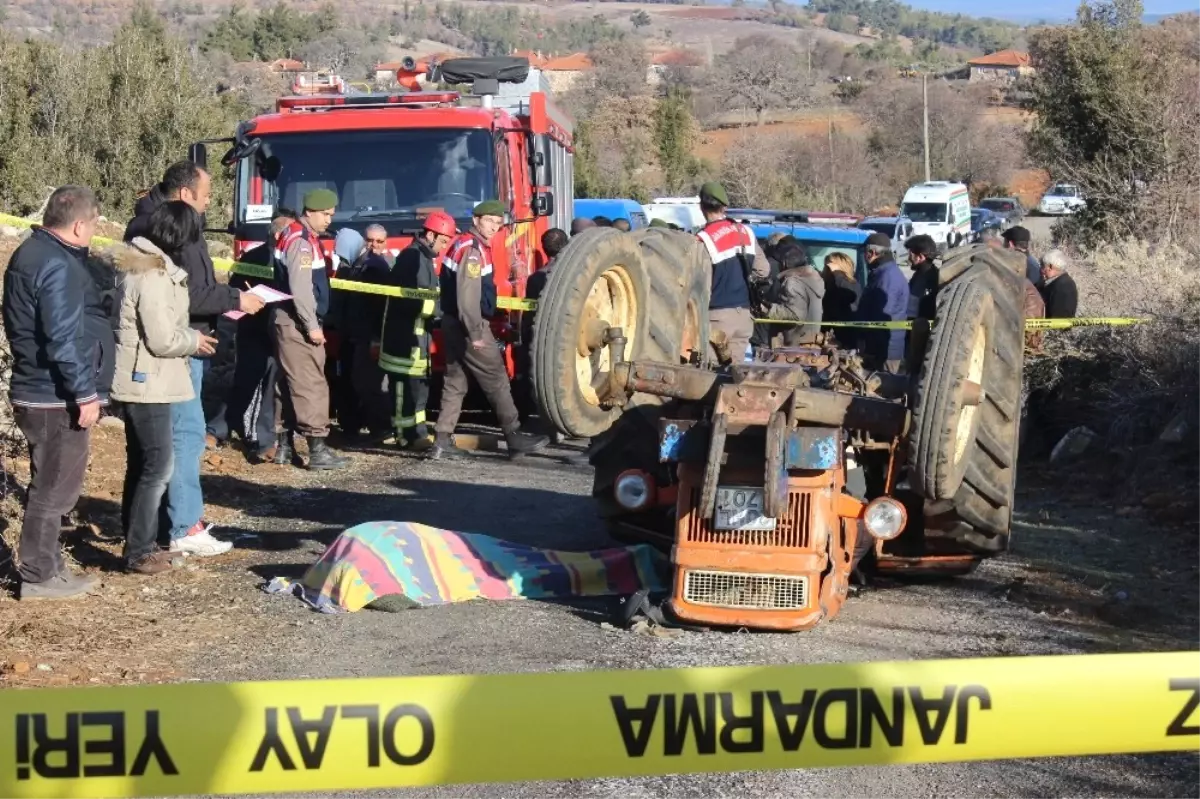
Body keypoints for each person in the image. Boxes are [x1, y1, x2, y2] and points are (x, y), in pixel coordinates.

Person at [3, 186, 115, 600]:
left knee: (50, 483)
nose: (94, 234)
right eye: (95, 225)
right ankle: (37, 575)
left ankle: (49, 565)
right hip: (53, 395)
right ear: (80, 224)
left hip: (38, 387)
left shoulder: (31, 253)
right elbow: (62, 338)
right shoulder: (58, 265)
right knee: (54, 490)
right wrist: (84, 394)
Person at [124, 161, 266, 455]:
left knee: (184, 435)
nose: (210, 200)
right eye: (206, 194)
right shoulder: (166, 231)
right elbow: (184, 293)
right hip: (180, 344)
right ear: (186, 193)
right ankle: (180, 497)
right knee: (185, 437)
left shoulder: (185, 227)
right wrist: (236, 299)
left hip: (193, 339)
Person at [111, 207, 219, 575]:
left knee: (143, 464)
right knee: (156, 466)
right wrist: (194, 340)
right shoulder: (154, 276)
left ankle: (142, 544)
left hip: (147, 378)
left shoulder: (143, 266)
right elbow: (161, 338)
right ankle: (140, 551)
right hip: (149, 382)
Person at [432, 199, 549, 459]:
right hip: (468, 325)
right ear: (476, 220)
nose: (494, 226)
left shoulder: (462, 244)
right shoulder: (473, 250)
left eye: (498, 222)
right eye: (489, 221)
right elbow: (467, 298)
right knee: (496, 378)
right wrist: (475, 333)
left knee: (455, 382)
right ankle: (514, 435)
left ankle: (441, 441)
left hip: (452, 323)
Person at [270, 189, 349, 470]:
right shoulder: (301, 242)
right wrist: (312, 326)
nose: (329, 220)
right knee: (310, 383)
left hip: (289, 320)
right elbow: (301, 289)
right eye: (326, 214)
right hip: (298, 323)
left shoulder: (296, 235)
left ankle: (284, 446)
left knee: (288, 382)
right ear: (311, 212)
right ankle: (318, 449)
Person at [381, 211, 456, 451]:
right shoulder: (410, 258)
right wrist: (441, 310)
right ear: (431, 235)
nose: (444, 247)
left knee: (419, 391)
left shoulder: (422, 258)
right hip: (403, 341)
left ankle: (419, 433)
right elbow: (408, 300)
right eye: (443, 241)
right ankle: (404, 435)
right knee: (404, 391)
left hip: (418, 338)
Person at [223, 211, 295, 463]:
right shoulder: (252, 257)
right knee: (246, 381)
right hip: (252, 330)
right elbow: (234, 288)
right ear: (276, 234)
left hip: (280, 334)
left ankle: (263, 440)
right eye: (288, 232)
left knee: (272, 389)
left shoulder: (291, 258)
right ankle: (225, 430)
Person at [695, 181, 770, 363]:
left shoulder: (703, 239)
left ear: (701, 207)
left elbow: (699, 283)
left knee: (709, 372)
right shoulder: (746, 232)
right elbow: (763, 270)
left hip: (716, 317)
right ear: (725, 207)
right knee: (733, 375)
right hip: (744, 316)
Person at [855, 232, 909, 374]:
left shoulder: (887, 278)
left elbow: (881, 316)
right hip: (881, 348)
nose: (864, 256)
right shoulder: (881, 273)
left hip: (886, 352)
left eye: (865, 252)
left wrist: (870, 346)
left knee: (883, 391)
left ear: (872, 253)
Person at [761, 240, 825, 346]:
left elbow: (795, 315)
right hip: (810, 342)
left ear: (784, 263)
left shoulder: (792, 282)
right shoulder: (814, 279)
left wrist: (768, 309)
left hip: (792, 346)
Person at [821, 252, 861, 334]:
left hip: (843, 336)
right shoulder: (830, 284)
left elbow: (850, 310)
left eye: (828, 267)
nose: (825, 269)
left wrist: (836, 273)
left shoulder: (846, 284)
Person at [904, 234, 939, 320]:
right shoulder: (920, 274)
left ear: (920, 257)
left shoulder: (928, 279)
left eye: (911, 255)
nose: (908, 258)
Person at [1038, 248, 1078, 319]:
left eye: (1043, 266)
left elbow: (1059, 318)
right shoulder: (1057, 282)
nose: (1041, 270)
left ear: (1050, 267)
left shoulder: (1064, 286)